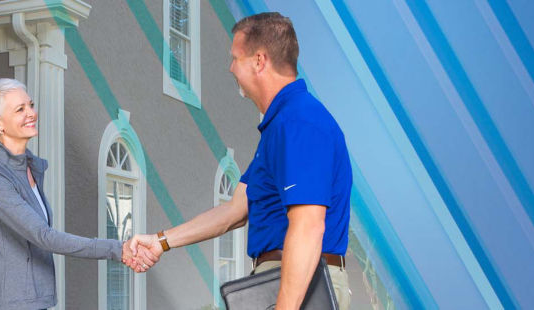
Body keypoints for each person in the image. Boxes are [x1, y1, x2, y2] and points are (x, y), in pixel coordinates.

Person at [121, 12, 363, 310]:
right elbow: (235, 210)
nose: (231, 67)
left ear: (259, 61)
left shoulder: (300, 122)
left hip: (304, 286)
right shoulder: (279, 127)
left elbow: (309, 225)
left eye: (236, 58)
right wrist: (161, 241)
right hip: (279, 282)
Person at [0, 78, 156, 309]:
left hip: (36, 301)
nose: (31, 113)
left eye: (31, 105)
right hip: (11, 303)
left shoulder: (28, 168)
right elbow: (44, 237)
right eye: (20, 109)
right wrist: (117, 249)